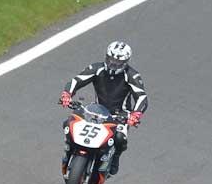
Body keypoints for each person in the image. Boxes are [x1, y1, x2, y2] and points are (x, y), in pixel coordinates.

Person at [59, 41, 148, 175]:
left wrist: (135, 115)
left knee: (119, 138)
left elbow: (141, 97)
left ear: (125, 62)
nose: (113, 64)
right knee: (69, 123)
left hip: (119, 116)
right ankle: (69, 150)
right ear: (106, 57)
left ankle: (115, 158)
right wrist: (67, 94)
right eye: (111, 59)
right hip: (96, 111)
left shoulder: (132, 76)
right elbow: (77, 80)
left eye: (118, 62)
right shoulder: (97, 68)